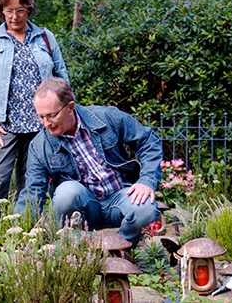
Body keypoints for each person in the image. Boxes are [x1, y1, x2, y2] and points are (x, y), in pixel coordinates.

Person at [14, 78, 162, 245]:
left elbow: (148, 141)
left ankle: (121, 249)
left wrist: (146, 180)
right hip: (86, 209)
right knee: (66, 192)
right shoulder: (40, 146)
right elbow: (32, 194)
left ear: (70, 107)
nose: (46, 123)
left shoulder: (107, 117)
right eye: (40, 117)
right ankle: (76, 250)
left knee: (145, 208)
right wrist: (18, 234)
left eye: (51, 115)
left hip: (120, 199)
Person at [0, 0, 69, 226]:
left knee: (32, 181)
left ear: (29, 8)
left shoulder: (45, 38)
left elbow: (62, 79)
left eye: (20, 10)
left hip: (41, 125)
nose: (14, 17)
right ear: (1, 10)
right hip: (3, 123)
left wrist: (61, 118)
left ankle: (25, 231)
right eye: (9, 11)